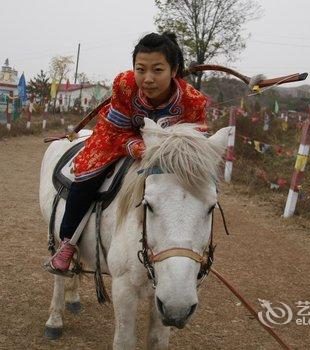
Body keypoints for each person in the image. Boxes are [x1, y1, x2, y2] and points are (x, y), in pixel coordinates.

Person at [45, 32, 208, 275]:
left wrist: (164, 151)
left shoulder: (193, 101)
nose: (147, 78)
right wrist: (136, 147)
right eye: (140, 69)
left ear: (174, 70)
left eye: (157, 70)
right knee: (86, 176)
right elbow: (113, 128)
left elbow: (194, 144)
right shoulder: (124, 84)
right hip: (116, 137)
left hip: (165, 153)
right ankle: (68, 243)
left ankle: (190, 249)